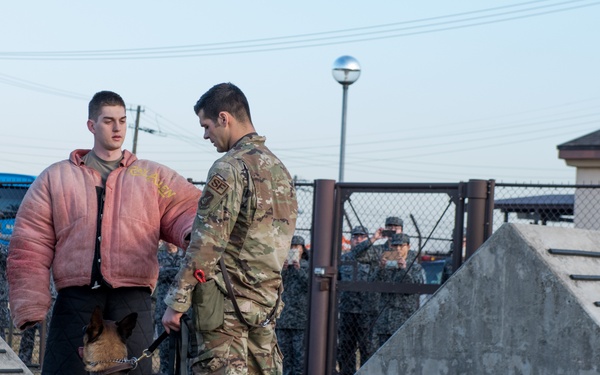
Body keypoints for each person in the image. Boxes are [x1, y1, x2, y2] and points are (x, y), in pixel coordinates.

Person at [7, 90, 202, 375]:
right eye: (108, 120)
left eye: (122, 121)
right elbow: (30, 241)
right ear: (91, 125)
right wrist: (29, 302)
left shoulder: (151, 176)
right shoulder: (56, 177)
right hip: (76, 300)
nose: (117, 127)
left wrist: (191, 233)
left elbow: (188, 210)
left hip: (132, 301)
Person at [162, 82, 298, 374]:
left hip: (227, 309)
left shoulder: (229, 168)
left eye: (207, 125)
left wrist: (177, 301)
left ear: (224, 118)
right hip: (265, 307)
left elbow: (206, 243)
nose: (205, 134)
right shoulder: (279, 170)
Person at [337, 226, 379, 375]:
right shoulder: (345, 258)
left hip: (366, 312)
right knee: (346, 348)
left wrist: (373, 240)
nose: (358, 239)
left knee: (366, 348)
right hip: (348, 310)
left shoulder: (373, 257)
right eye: (355, 237)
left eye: (362, 237)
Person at [373, 233, 425, 347]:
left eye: (401, 246)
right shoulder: (386, 266)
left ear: (408, 247)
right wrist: (380, 269)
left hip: (403, 320)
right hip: (385, 321)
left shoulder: (415, 268)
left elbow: (411, 289)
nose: (398, 249)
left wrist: (403, 269)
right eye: (395, 246)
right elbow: (374, 284)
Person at [276, 235, 310, 375]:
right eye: (292, 246)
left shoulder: (307, 265)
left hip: (300, 318)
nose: (294, 249)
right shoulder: (280, 265)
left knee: (299, 355)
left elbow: (309, 285)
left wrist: (298, 269)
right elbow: (274, 284)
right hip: (283, 318)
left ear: (303, 249)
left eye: (297, 246)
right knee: (284, 355)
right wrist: (282, 269)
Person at [154, 240, 186, 375]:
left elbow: (187, 272)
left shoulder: (185, 255)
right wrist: (179, 272)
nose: (169, 242)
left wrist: (170, 272)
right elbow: (157, 273)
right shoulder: (158, 255)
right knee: (165, 349)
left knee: (184, 348)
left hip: (181, 309)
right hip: (162, 309)